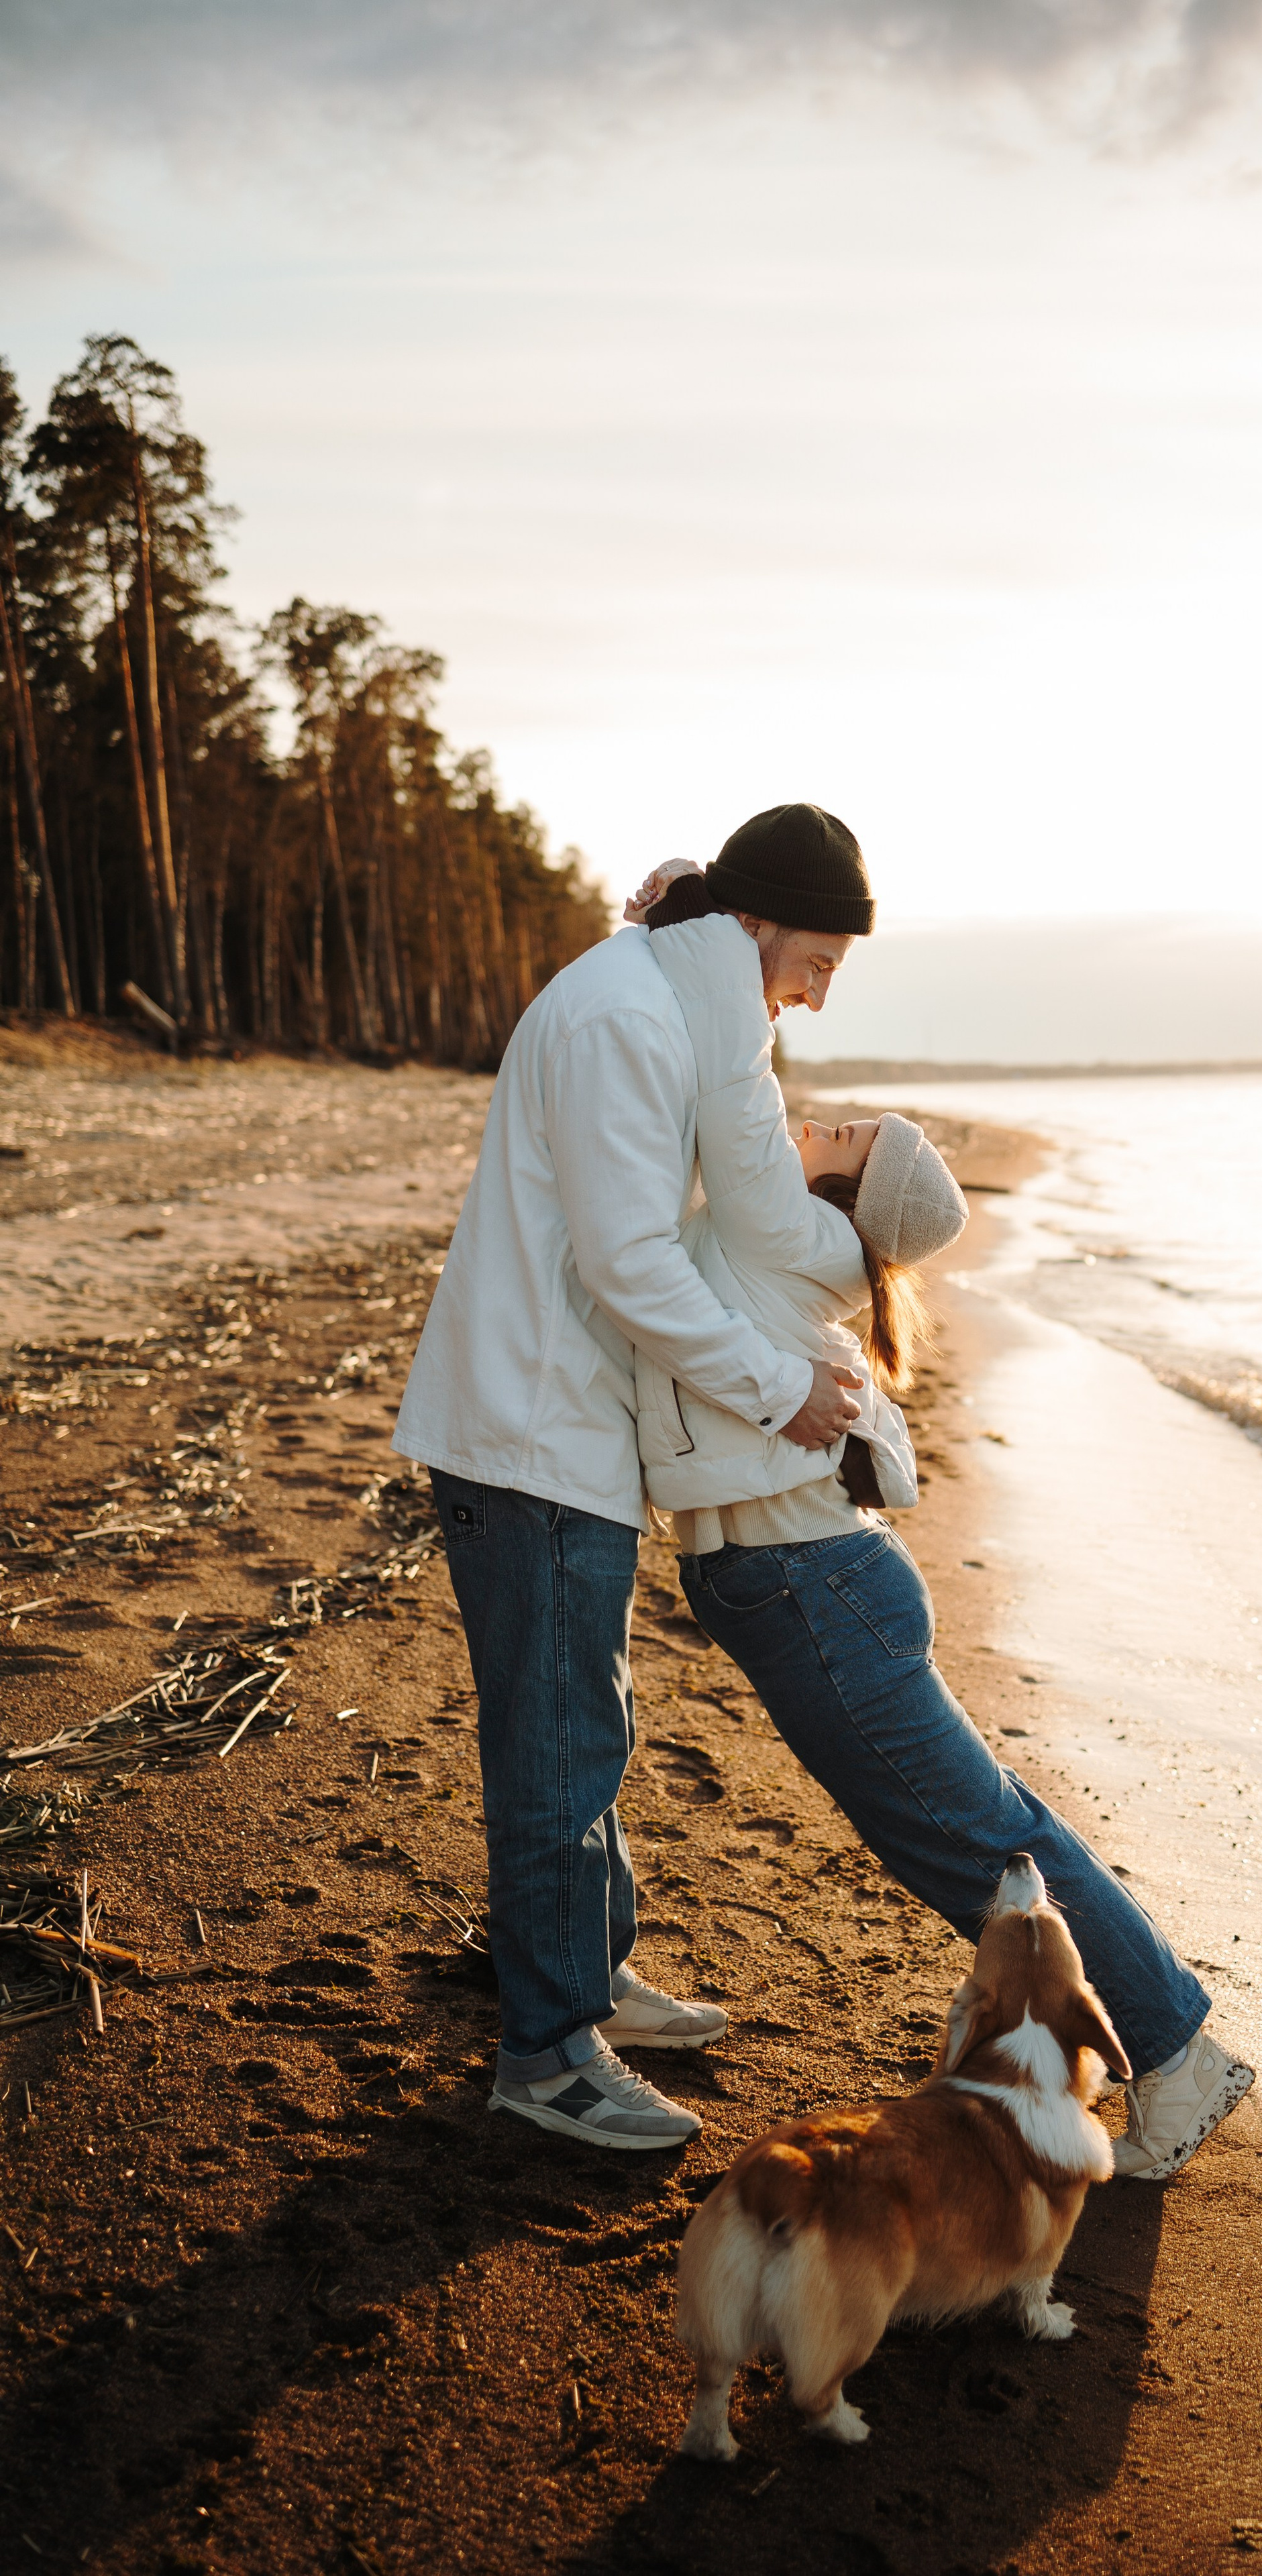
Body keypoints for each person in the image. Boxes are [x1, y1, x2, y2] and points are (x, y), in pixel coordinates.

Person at [633, 884, 1255, 2181]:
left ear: (851, 1203)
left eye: (844, 1133)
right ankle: (1147, 2040)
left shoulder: (789, 1232)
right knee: (973, 1831)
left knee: (977, 1839)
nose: (818, 1120)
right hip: (809, 1584)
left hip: (811, 1584)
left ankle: (1180, 2055)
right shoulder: (789, 1235)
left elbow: (733, 1086)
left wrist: (699, 942)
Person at [392, 804, 878, 2152]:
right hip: (531, 1426)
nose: (820, 990)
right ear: (760, 923)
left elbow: (718, 1131)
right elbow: (629, 1260)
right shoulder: (625, 1019)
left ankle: (586, 1973)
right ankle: (546, 2055)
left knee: (582, 1719)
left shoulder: (672, 995)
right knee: (554, 1747)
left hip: (563, 1424)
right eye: (819, 957)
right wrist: (778, 1389)